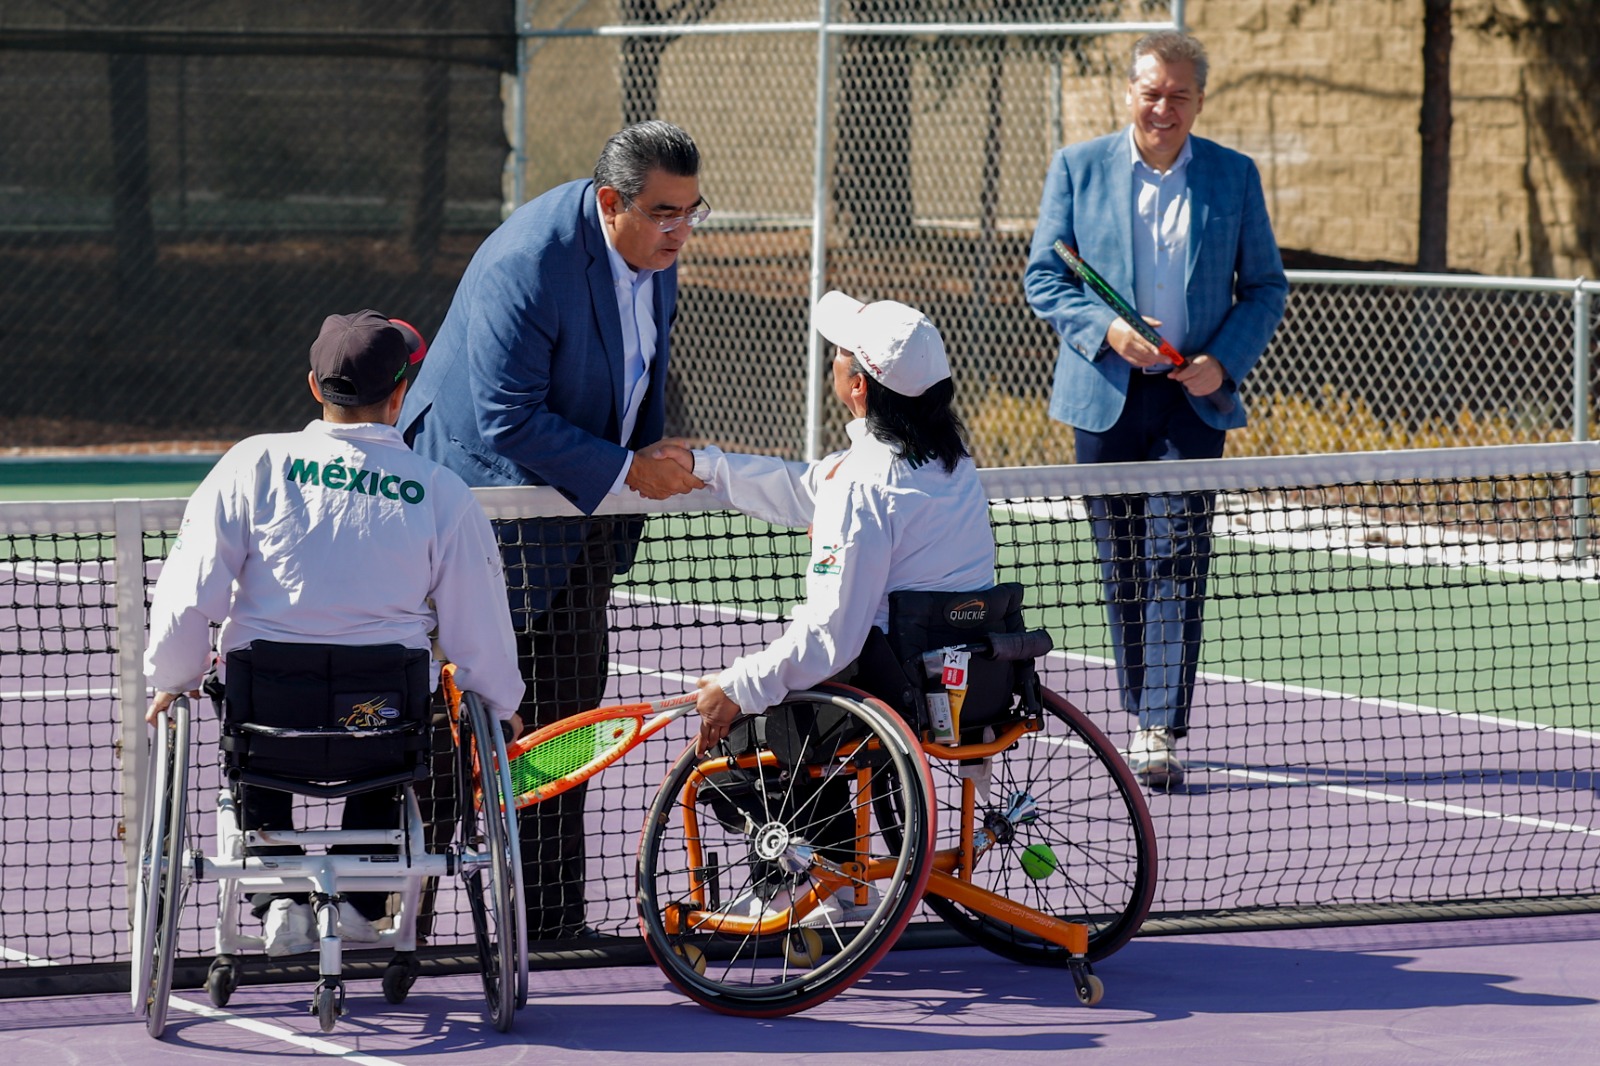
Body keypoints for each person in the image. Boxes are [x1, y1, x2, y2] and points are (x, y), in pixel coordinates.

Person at [398, 120, 707, 940]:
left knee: (565, 708)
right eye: (665, 213)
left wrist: (646, 458)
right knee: (449, 724)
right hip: (481, 507)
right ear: (611, 203)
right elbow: (504, 418)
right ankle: (395, 916)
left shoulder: (653, 254)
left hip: (578, 511)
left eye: (692, 211)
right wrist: (627, 470)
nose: (681, 230)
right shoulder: (528, 261)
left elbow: (641, 372)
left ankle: (553, 924)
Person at [144, 310, 525, 956]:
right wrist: (501, 706)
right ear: (401, 393)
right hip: (382, 724)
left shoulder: (251, 465)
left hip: (267, 720)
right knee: (386, 723)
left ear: (315, 387)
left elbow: (189, 591)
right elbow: (478, 623)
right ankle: (362, 904)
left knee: (254, 715)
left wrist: (170, 682)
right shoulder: (442, 492)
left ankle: (278, 901)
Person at [1023, 31, 1287, 790]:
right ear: (1129, 91)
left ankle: (1158, 727)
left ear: (1199, 101)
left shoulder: (1234, 178)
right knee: (1122, 564)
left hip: (1189, 403)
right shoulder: (1077, 168)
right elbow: (1046, 277)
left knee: (1179, 559)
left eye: (1178, 95)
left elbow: (1265, 286)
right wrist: (1106, 330)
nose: (1162, 107)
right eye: (1151, 91)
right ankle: (1142, 707)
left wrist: (1220, 363)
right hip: (1102, 397)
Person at [689, 291, 995, 748]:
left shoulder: (861, 484)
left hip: (887, 696)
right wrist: (703, 468)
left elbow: (831, 638)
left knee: (733, 751)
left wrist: (736, 687)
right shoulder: (952, 466)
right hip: (971, 683)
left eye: (841, 352)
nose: (833, 358)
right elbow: (811, 485)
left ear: (859, 386)